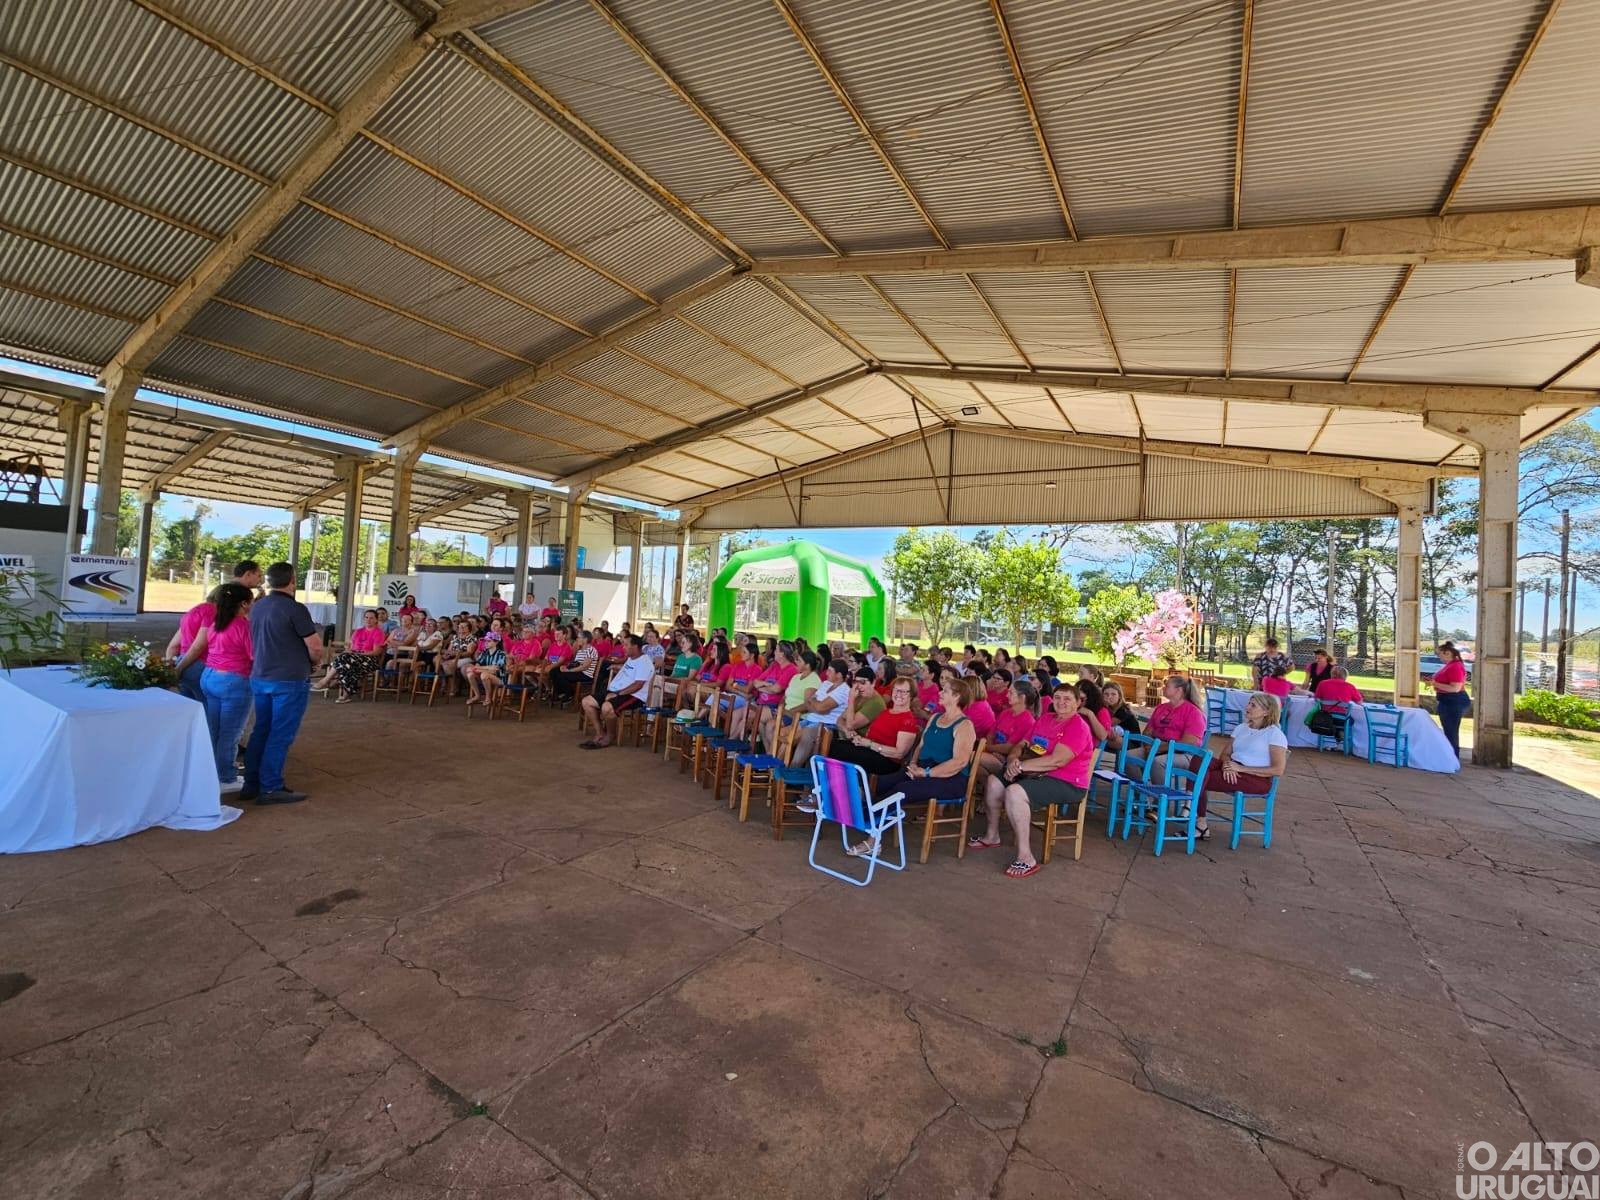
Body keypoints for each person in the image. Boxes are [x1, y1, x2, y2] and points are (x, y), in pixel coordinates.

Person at [970, 682, 1094, 877]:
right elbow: (1021, 744)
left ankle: (1026, 857)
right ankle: (992, 835)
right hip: (1032, 771)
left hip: (1066, 781)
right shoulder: (1046, 719)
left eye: (1067, 699)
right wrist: (1012, 760)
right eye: (1058, 697)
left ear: (1078, 703)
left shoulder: (1078, 726)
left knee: (1014, 792)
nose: (1061, 702)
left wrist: (1020, 767)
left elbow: (1057, 761)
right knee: (994, 782)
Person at [854, 678, 977, 856]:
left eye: (945, 691)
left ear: (957, 697)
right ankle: (867, 818)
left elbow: (959, 762)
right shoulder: (935, 717)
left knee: (902, 790)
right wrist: (913, 764)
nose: (940, 693)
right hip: (923, 769)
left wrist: (926, 773)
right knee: (881, 783)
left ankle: (871, 833)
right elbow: (920, 747)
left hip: (950, 778)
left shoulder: (964, 725)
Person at [242, 562, 322, 805]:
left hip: (260, 676)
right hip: (289, 679)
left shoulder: (258, 606)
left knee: (261, 730)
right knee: (280, 734)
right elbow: (315, 646)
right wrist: (314, 663)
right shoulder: (295, 608)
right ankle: (271, 786)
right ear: (292, 580)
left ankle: (251, 783)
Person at [172, 582, 255, 792]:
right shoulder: (243, 626)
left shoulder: (215, 623)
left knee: (214, 728)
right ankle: (225, 777)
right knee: (231, 732)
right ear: (244, 604)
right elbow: (254, 655)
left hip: (209, 677)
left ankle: (209, 771)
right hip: (233, 680)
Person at [1197, 693, 1289, 841]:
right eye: (1248, 704)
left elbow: (1278, 770)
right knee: (1199, 760)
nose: (1247, 707)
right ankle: (1194, 812)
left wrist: (1241, 769)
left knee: (1200, 777)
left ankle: (1198, 820)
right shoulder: (1241, 728)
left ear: (1266, 711)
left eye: (1253, 705)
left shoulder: (1275, 734)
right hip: (1232, 768)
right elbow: (1225, 754)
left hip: (1256, 778)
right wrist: (1228, 766)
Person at [816, 676, 920, 784]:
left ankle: (835, 790)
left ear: (911, 695)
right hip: (870, 751)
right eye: (896, 690)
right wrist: (858, 738)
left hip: (886, 761)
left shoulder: (908, 720)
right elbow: (872, 736)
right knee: (831, 744)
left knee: (837, 749)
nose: (898, 694)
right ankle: (830, 789)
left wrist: (870, 744)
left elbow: (899, 753)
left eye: (903, 692)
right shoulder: (886, 712)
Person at [581, 635, 653, 749]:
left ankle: (610, 735)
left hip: (634, 695)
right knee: (587, 701)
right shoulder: (631, 658)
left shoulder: (644, 662)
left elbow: (638, 685)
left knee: (607, 707)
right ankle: (600, 733)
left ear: (635, 647)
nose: (623, 647)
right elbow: (630, 670)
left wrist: (619, 693)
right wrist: (618, 667)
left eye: (626, 645)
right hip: (616, 690)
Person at [1132, 674, 1208, 779]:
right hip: (1157, 746)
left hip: (1184, 753)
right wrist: (1148, 745)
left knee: (1158, 762)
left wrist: (1159, 748)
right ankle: (1139, 790)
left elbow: (1188, 742)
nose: (1163, 688)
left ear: (1179, 690)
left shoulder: (1194, 712)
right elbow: (1147, 731)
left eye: (1167, 686)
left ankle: (1160, 794)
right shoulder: (1161, 708)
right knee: (1129, 755)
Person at [315, 609, 386, 701]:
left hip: (369, 660)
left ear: (376, 620)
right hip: (352, 659)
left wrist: (356, 653)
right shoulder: (358, 631)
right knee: (346, 662)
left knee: (345, 660)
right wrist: (349, 651)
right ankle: (345, 694)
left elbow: (376, 652)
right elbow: (350, 647)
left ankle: (326, 681)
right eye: (366, 617)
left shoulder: (378, 633)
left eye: (371, 618)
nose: (368, 620)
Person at [791, 657, 852, 764]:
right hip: (811, 719)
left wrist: (816, 704)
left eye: (830, 671)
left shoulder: (844, 690)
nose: (826, 673)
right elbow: (810, 702)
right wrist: (817, 705)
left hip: (826, 725)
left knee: (795, 737)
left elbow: (819, 707)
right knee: (784, 733)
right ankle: (775, 768)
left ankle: (790, 770)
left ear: (839, 675)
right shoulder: (826, 684)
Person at [166, 586, 221, 703]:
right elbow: (198, 646)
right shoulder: (212, 611)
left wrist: (170, 666)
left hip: (182, 660)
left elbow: (174, 645)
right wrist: (178, 669)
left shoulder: (192, 611)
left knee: (190, 709)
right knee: (205, 711)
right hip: (198, 665)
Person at [1429, 641, 1471, 756]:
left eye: (1440, 654)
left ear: (1447, 653)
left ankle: (1452, 757)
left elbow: (1455, 688)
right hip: (1446, 700)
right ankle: (1450, 755)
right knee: (1448, 730)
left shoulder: (1455, 666)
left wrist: (1435, 684)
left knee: (1451, 731)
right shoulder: (1450, 665)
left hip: (1453, 700)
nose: (1439, 657)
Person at [1308, 665, 1362, 742]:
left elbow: (1317, 699)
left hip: (1324, 718)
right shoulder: (1350, 686)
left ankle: (1334, 739)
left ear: (1332, 674)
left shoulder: (1323, 683)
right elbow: (1359, 702)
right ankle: (1341, 741)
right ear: (1345, 676)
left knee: (1335, 721)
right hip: (1341, 719)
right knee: (1352, 721)